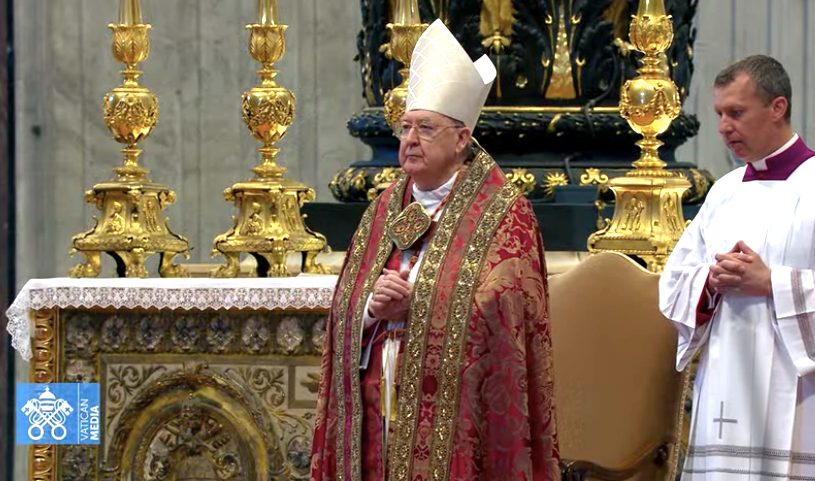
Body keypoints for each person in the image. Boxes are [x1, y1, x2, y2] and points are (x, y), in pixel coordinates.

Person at [310, 19, 559, 481]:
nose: (409, 140)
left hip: (458, 411)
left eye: (425, 128)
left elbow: (507, 309)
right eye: (405, 128)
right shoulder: (385, 205)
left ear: (462, 138)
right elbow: (347, 300)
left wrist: (417, 304)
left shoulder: (504, 213)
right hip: (375, 408)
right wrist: (369, 309)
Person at [659, 55, 815, 480]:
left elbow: (771, 282)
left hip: (800, 391)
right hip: (727, 380)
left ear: (777, 107)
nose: (724, 126)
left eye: (736, 113)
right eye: (719, 114)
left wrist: (772, 283)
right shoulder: (724, 192)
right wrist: (708, 282)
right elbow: (675, 281)